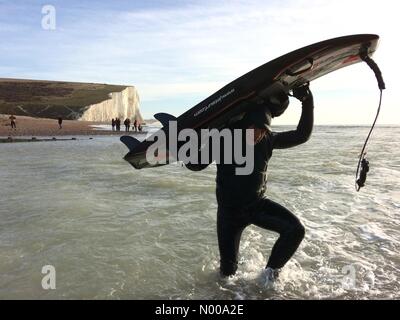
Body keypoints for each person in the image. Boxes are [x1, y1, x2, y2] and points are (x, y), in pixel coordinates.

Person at [185, 83, 314, 284]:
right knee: (227, 274)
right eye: (256, 129)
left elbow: (301, 135)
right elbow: (195, 164)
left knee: (295, 230)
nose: (260, 135)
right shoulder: (223, 140)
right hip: (229, 214)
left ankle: (268, 278)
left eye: (264, 130)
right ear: (245, 124)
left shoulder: (267, 139)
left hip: (257, 206)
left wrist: (307, 101)